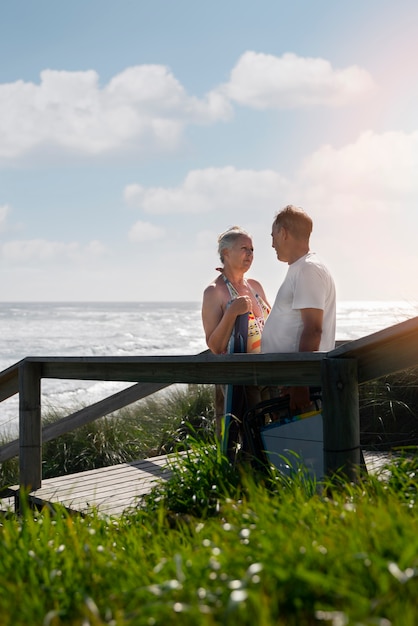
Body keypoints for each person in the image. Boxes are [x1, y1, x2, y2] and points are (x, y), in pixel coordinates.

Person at [262, 205, 336, 413]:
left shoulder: (308, 269)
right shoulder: (300, 268)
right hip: (290, 380)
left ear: (284, 233)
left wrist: (299, 383)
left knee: (298, 444)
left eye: (273, 235)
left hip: (299, 384)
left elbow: (313, 328)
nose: (272, 244)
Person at [202, 226, 270, 447]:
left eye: (252, 249)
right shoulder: (214, 292)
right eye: (244, 249)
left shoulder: (255, 286)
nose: (250, 254)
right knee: (245, 439)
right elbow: (214, 345)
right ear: (226, 254)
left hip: (269, 371)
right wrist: (231, 312)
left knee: (274, 429)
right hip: (237, 379)